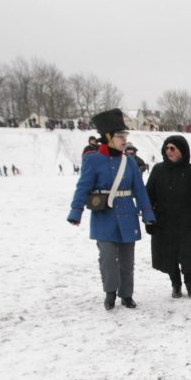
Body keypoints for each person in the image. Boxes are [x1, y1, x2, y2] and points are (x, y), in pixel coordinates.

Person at [67, 109, 156, 310]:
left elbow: (140, 190)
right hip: (103, 216)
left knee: (127, 260)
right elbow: (83, 187)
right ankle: (110, 292)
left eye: (125, 135)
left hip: (127, 215)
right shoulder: (93, 160)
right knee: (107, 258)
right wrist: (76, 210)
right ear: (107, 137)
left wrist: (148, 214)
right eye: (119, 135)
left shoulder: (130, 163)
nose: (124, 139)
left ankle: (127, 294)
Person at [146, 135, 191, 299]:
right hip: (164, 219)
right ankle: (175, 284)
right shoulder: (158, 170)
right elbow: (148, 195)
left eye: (172, 148)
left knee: (188, 252)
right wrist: (149, 217)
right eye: (166, 148)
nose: (168, 151)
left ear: (182, 151)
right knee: (168, 254)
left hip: (186, 218)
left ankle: (190, 284)